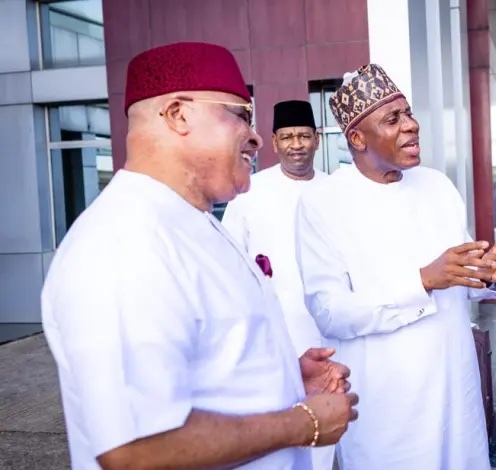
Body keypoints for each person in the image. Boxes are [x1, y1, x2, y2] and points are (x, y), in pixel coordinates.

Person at [40, 42, 358, 470]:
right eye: (240, 115)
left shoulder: (194, 222)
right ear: (178, 115)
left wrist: (285, 377)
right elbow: (137, 450)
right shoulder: (123, 242)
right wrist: (303, 423)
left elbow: (212, 363)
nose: (255, 136)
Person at [294, 64, 496, 470]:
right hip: (388, 408)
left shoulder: (438, 186)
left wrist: (488, 272)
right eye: (393, 119)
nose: (412, 125)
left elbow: (457, 275)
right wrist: (422, 281)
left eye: (409, 113)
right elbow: (329, 311)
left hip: (455, 394)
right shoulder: (323, 202)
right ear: (357, 138)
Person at [222, 99, 335, 469]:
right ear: (274, 142)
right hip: (276, 330)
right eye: (287, 137)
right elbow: (230, 263)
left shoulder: (338, 191)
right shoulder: (249, 192)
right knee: (284, 425)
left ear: (317, 139)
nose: (296, 145)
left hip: (332, 330)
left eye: (303, 136)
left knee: (331, 414)